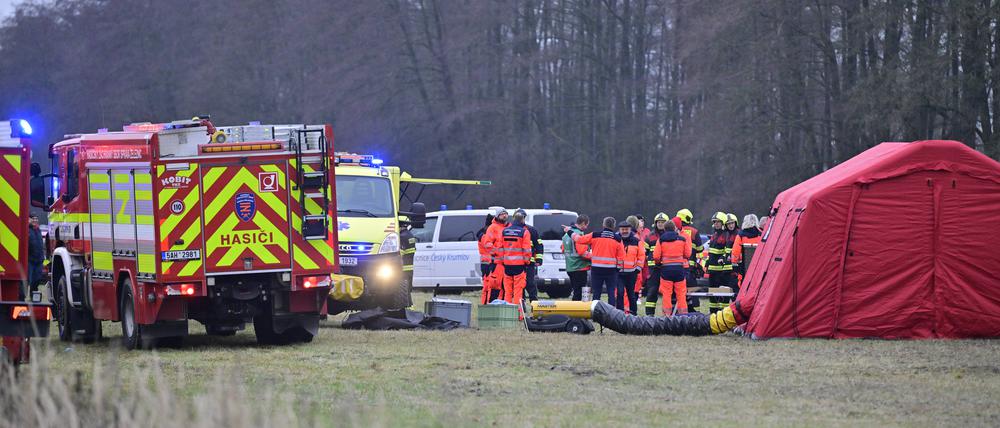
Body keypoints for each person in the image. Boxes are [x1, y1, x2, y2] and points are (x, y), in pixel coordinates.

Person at [565, 217, 624, 306]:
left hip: (597, 269)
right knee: (611, 292)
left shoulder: (595, 235)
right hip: (611, 270)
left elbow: (579, 239)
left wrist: (569, 231)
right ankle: (612, 314)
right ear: (614, 226)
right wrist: (618, 269)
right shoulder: (618, 239)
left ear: (603, 225)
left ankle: (595, 312)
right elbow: (621, 257)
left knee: (596, 292)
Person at [652, 219, 692, 315]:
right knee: (681, 294)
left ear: (665, 229)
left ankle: (667, 316)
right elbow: (688, 254)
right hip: (679, 270)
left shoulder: (661, 240)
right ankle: (683, 316)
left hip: (666, 270)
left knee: (666, 294)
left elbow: (656, 256)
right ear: (674, 228)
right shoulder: (682, 239)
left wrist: (659, 262)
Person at [499, 210, 532, 305]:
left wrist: (503, 261)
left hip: (507, 265)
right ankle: (519, 314)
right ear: (522, 220)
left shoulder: (504, 231)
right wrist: (527, 262)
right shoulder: (524, 232)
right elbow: (526, 250)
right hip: (519, 266)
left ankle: (507, 313)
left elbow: (501, 248)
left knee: (507, 292)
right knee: (518, 291)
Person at [706, 212, 735, 313]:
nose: (716, 224)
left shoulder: (726, 235)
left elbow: (726, 251)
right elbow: (711, 251)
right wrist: (707, 262)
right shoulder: (714, 234)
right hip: (712, 271)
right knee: (712, 294)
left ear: (723, 223)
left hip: (721, 271)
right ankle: (712, 313)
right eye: (715, 222)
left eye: (718, 222)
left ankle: (723, 314)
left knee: (723, 295)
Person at [675, 209, 704, 310]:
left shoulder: (675, 231)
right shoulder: (694, 231)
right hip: (690, 267)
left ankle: (679, 308)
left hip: (677, 266)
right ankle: (692, 307)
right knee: (692, 290)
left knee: (679, 290)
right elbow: (700, 250)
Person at [642, 213, 670, 315]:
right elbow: (644, 252)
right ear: (655, 223)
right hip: (653, 270)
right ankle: (649, 315)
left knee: (668, 293)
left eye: (663, 222)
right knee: (651, 293)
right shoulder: (650, 236)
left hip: (666, 268)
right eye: (659, 222)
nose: (660, 224)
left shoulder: (669, 236)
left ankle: (668, 315)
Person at [514, 209, 544, 302]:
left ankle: (534, 305)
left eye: (521, 218)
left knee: (530, 284)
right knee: (519, 286)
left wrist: (539, 259)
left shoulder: (531, 230)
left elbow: (539, 245)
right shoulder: (511, 230)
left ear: (524, 218)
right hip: (516, 263)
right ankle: (521, 306)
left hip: (529, 263)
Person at [481, 208, 510, 303]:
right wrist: (499, 254)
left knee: (506, 288)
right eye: (502, 214)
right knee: (495, 287)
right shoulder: (492, 228)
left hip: (509, 263)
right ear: (497, 216)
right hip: (497, 264)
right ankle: (492, 308)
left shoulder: (510, 227)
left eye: (506, 214)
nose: (505, 216)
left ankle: (504, 308)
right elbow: (488, 244)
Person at [615, 221, 644, 314]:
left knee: (631, 294)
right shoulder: (616, 240)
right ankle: (619, 313)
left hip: (632, 273)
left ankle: (633, 313)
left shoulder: (636, 241)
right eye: (622, 229)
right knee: (619, 293)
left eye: (626, 229)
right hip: (619, 273)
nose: (624, 231)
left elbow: (641, 255)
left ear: (630, 230)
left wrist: (638, 268)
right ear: (619, 230)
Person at [562, 214, 591, 301]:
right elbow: (583, 253)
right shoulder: (579, 235)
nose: (586, 227)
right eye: (586, 225)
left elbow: (563, 249)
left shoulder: (566, 235)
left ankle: (574, 311)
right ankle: (577, 313)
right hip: (579, 268)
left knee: (575, 290)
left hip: (570, 268)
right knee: (579, 293)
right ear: (583, 223)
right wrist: (595, 256)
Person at [733, 214, 761, 289]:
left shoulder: (740, 235)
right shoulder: (762, 234)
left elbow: (735, 255)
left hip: (744, 270)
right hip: (759, 269)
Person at [476, 213, 498, 304]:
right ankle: (486, 306)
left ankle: (487, 304)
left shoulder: (482, 233)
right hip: (488, 264)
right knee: (488, 287)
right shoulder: (485, 235)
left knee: (489, 287)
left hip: (487, 264)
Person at [399, 216, 416, 308]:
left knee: (403, 292)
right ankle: (410, 309)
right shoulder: (410, 235)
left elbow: (399, 254)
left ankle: (408, 310)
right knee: (407, 290)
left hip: (403, 269)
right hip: (409, 269)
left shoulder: (402, 237)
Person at [25, 214, 44, 300]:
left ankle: (33, 297)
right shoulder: (27, 230)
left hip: (39, 260)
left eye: (36, 219)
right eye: (33, 219)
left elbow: (41, 245)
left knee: (37, 279)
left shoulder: (38, 230)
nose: (35, 220)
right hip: (30, 260)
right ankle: (23, 296)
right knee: (28, 279)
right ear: (29, 220)